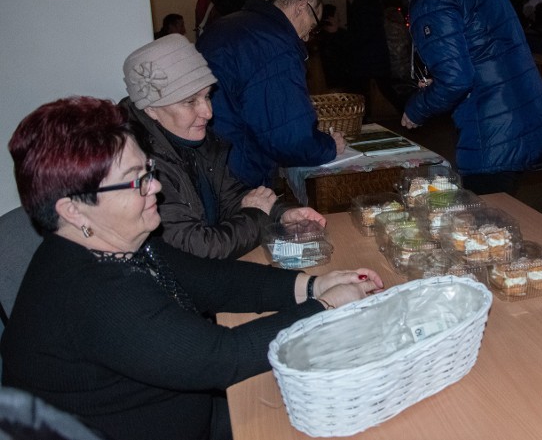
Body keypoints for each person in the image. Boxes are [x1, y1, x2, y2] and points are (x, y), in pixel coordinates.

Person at [1, 96, 383, 440]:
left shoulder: (120, 243)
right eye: (136, 182)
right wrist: (326, 310)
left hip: (191, 413)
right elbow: (219, 358)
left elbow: (211, 280)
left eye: (148, 170)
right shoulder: (91, 294)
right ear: (73, 209)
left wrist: (312, 285)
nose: (155, 188)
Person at [366, 0, 542, 195]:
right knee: (498, 219)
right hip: (527, 112)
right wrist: (441, 81)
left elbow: (456, 80)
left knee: (483, 226)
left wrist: (416, 108)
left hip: (493, 129)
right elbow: (484, 56)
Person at [121, 34, 324, 259]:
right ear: (150, 109)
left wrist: (280, 214)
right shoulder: (137, 165)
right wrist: (257, 215)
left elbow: (229, 196)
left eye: (207, 96)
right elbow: (199, 247)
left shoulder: (190, 138)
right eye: (190, 101)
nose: (208, 112)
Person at [196, 0, 346, 187]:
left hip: (204, 156)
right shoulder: (276, 44)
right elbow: (289, 136)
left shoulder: (228, 24)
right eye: (311, 26)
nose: (305, 38)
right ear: (301, 6)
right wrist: (328, 146)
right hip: (237, 169)